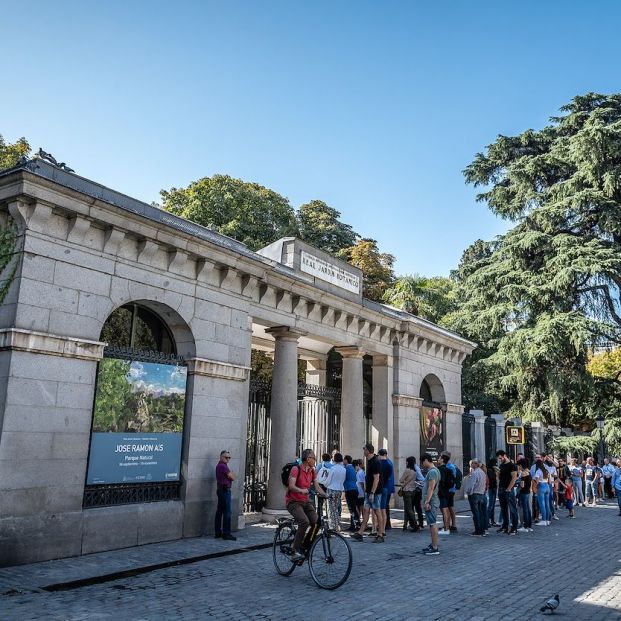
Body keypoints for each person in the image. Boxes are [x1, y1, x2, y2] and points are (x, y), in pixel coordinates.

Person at [286, 449, 326, 562]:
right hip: (293, 501)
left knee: (316, 523)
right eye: (314, 458)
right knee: (304, 521)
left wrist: (326, 495)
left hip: (306, 501)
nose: (315, 460)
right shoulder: (296, 469)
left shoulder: (312, 471)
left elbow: (317, 487)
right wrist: (301, 490)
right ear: (308, 459)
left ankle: (304, 546)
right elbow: (291, 486)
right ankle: (294, 551)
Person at [351, 443, 385, 543]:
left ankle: (380, 534)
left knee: (377, 512)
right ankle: (360, 533)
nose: (363, 451)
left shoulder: (375, 462)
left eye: (364, 449)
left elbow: (376, 479)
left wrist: (372, 493)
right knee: (366, 511)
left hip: (374, 492)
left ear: (368, 451)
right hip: (368, 492)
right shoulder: (370, 461)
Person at [420, 453, 441, 555]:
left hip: (431, 501)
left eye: (422, 462)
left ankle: (435, 547)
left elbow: (431, 488)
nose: (422, 465)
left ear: (426, 460)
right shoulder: (434, 471)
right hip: (432, 500)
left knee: (432, 524)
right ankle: (433, 545)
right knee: (432, 524)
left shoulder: (432, 472)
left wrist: (427, 501)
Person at [215, 449, 236, 541]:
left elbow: (231, 476)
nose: (228, 459)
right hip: (224, 490)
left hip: (221, 490)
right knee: (227, 512)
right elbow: (232, 477)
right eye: (226, 457)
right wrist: (231, 474)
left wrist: (231, 475)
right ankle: (226, 533)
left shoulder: (221, 466)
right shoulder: (223, 466)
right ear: (221, 457)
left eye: (229, 458)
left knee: (219, 511)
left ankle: (218, 532)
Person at [496, 450, 519, 535]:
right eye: (499, 458)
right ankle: (505, 526)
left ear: (505, 455)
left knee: (512, 509)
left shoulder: (512, 466)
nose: (500, 460)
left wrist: (509, 488)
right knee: (503, 509)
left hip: (509, 490)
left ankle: (514, 527)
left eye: (501, 458)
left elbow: (514, 478)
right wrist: (497, 474)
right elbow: (499, 477)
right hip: (501, 489)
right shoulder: (501, 465)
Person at [323, 452, 346, 531]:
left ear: (334, 459)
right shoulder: (343, 469)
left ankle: (333, 526)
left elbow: (328, 480)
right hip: (339, 490)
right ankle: (337, 525)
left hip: (331, 489)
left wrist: (325, 484)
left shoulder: (333, 468)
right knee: (336, 508)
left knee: (331, 509)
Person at [465, 459, 487, 536]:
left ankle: (478, 530)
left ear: (476, 464)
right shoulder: (483, 473)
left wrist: (469, 493)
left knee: (476, 513)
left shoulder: (475, 473)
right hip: (481, 494)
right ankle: (482, 529)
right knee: (480, 512)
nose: (471, 465)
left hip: (474, 494)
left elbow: (471, 485)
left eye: (472, 463)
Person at [399, 456, 421, 532]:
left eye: (406, 461)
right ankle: (405, 525)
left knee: (409, 509)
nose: (406, 463)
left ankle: (415, 525)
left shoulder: (407, 470)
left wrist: (404, 481)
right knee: (407, 508)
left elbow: (401, 480)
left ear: (408, 462)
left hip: (407, 491)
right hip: (413, 491)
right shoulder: (415, 471)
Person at [437, 454, 456, 535]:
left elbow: (441, 481)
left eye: (439, 458)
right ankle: (446, 527)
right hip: (447, 491)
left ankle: (446, 529)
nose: (438, 459)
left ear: (442, 460)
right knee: (446, 509)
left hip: (443, 492)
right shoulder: (448, 469)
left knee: (444, 509)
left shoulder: (441, 469)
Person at [378, 448, 395, 531]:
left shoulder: (383, 463)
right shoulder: (390, 463)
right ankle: (386, 524)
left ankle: (384, 525)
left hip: (384, 487)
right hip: (388, 487)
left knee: (383, 507)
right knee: (385, 506)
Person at [343, 455, 360, 531]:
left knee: (352, 508)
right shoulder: (352, 468)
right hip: (354, 489)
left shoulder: (347, 468)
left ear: (346, 460)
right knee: (353, 508)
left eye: (344, 460)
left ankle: (356, 524)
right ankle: (354, 524)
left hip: (350, 490)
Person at [533, 458, 551, 526]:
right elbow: (549, 481)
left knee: (542, 504)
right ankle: (548, 520)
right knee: (547, 504)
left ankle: (543, 520)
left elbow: (537, 481)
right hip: (547, 486)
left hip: (541, 486)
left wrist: (536, 487)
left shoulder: (538, 471)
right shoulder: (546, 471)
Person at [517, 458, 532, 533]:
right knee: (528, 509)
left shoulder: (523, 473)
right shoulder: (529, 471)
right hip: (528, 491)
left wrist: (518, 483)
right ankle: (529, 525)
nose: (518, 467)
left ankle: (525, 526)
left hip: (523, 492)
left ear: (521, 465)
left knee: (525, 509)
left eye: (519, 466)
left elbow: (522, 485)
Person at [486, 459, 499, 527]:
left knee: (492, 505)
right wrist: (496, 473)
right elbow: (492, 479)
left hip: (494, 487)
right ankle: (487, 520)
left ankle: (492, 520)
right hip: (491, 488)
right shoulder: (490, 470)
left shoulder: (492, 470)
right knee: (490, 505)